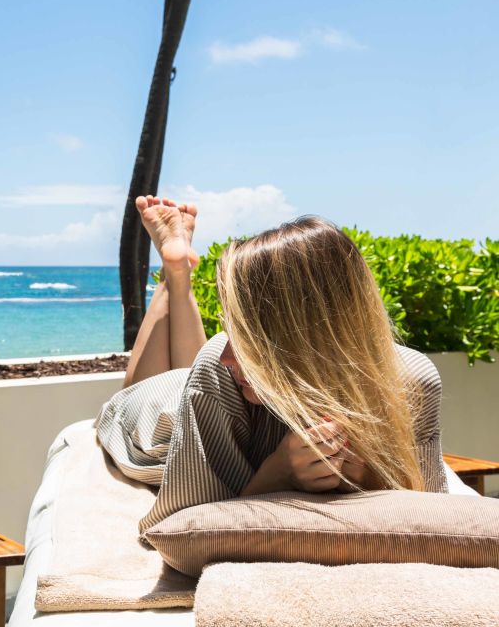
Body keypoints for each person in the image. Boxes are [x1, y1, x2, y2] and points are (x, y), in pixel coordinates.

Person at [96, 195, 447, 536]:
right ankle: (174, 275)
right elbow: (177, 532)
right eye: (232, 331)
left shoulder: (411, 382)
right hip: (161, 417)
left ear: (306, 338)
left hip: (217, 394)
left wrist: (372, 478)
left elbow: (431, 517)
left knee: (208, 369)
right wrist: (276, 475)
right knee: (179, 378)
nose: (228, 354)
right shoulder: (218, 367)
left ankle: (178, 270)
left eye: (249, 341)